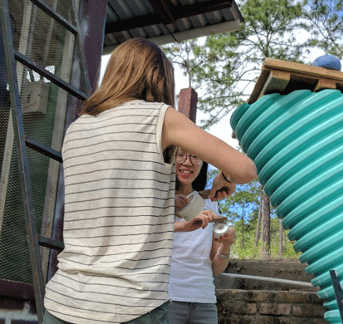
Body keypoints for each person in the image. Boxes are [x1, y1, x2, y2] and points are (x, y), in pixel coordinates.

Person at [42, 38, 257, 324]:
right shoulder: (160, 118)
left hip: (63, 303)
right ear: (159, 78)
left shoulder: (77, 128)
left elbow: (117, 202)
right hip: (129, 306)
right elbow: (245, 169)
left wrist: (185, 207)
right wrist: (225, 177)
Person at [168, 148, 236, 324]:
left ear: (203, 163)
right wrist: (183, 225)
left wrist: (226, 245)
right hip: (166, 300)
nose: (188, 162)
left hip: (204, 302)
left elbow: (215, 268)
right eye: (181, 155)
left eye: (195, 156)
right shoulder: (155, 199)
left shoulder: (210, 204)